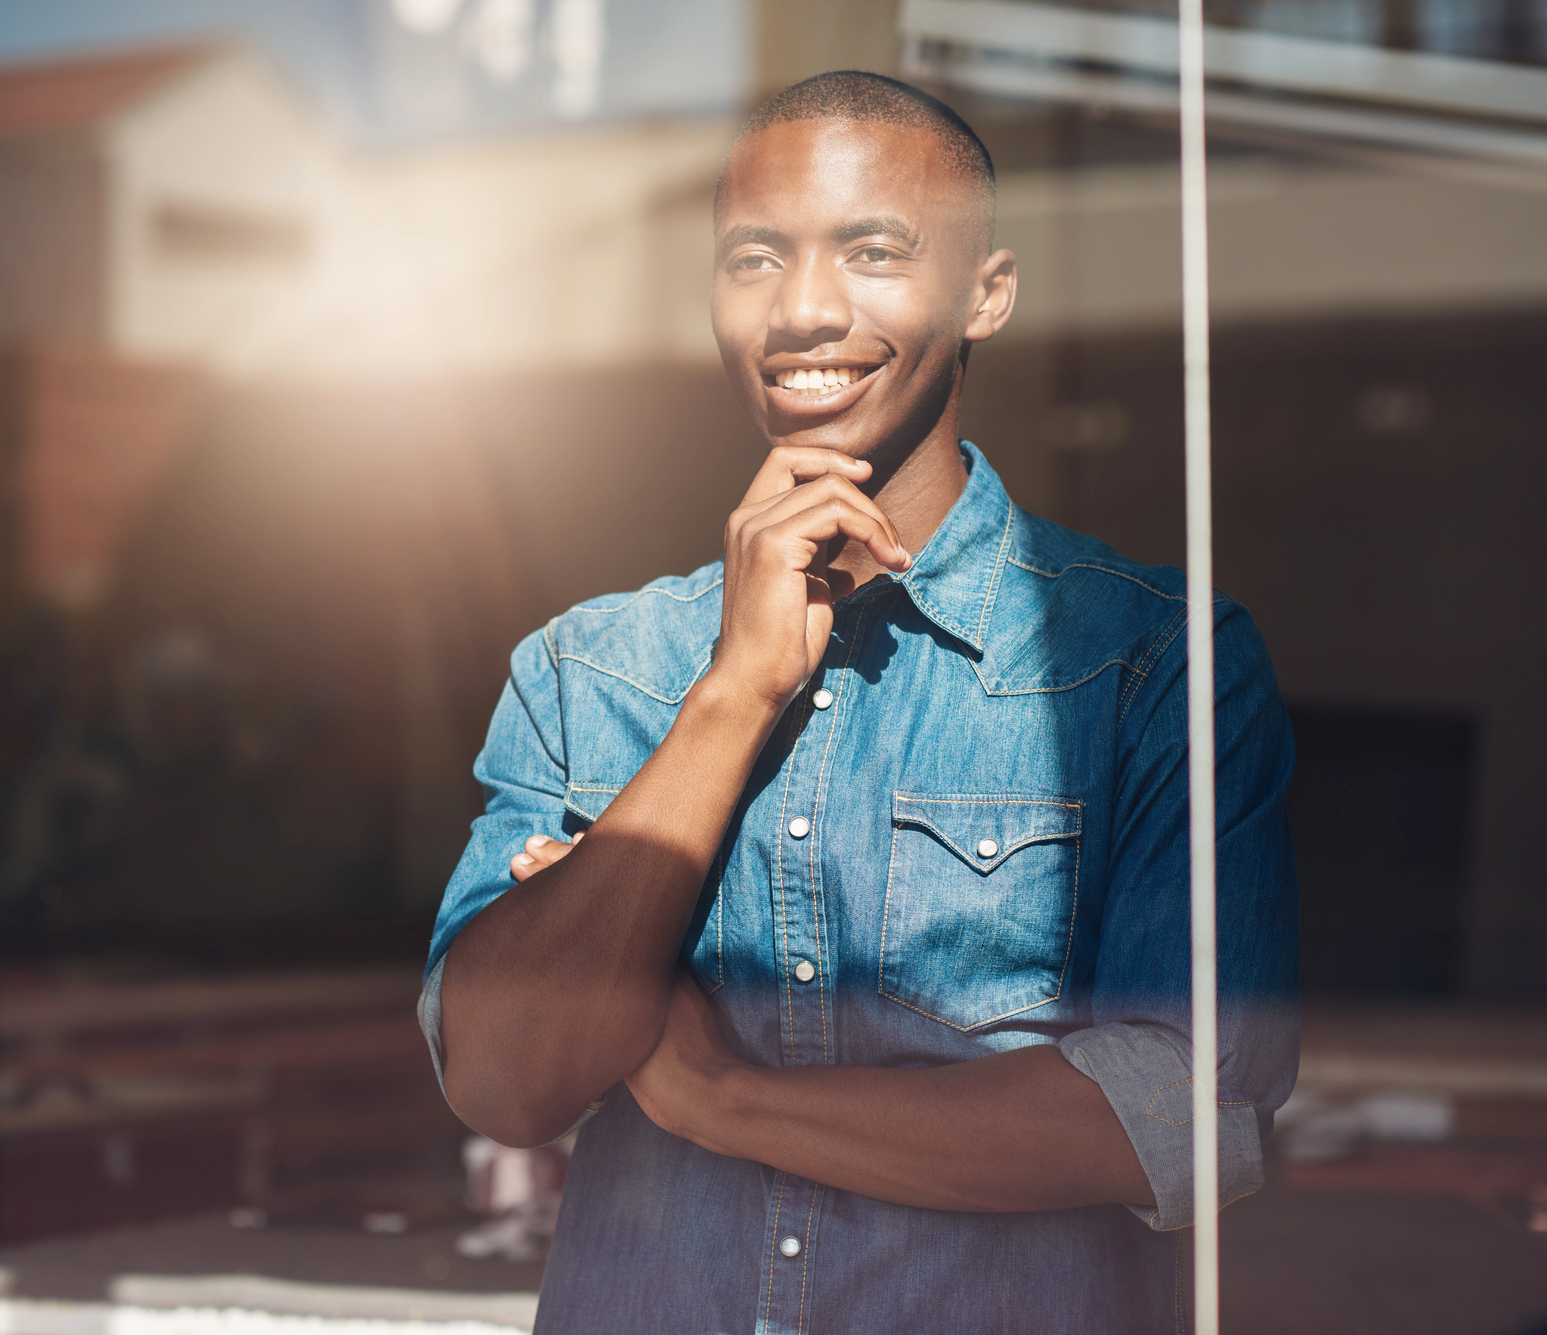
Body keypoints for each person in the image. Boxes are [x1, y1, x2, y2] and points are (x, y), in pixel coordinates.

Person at [419, 71, 1297, 1333]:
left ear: (985, 292)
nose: (803, 310)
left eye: (872, 251)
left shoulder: (1147, 665)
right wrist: (733, 692)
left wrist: (722, 1098)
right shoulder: (588, 670)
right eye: (753, 258)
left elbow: (1182, 1122)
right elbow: (502, 1083)